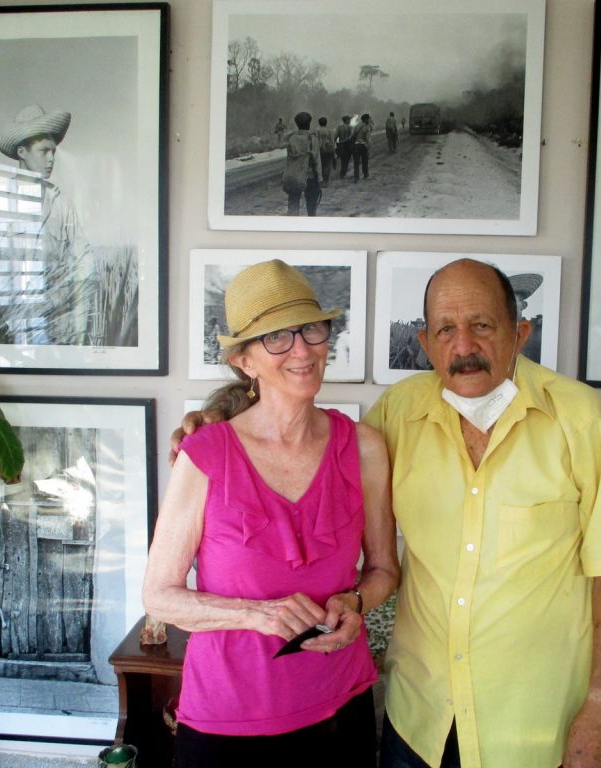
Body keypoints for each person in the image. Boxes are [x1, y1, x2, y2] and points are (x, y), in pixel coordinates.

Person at [172, 258, 601, 768]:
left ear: (520, 332)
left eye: (482, 325)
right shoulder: (397, 415)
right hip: (419, 723)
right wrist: (219, 418)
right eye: (445, 329)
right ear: (424, 343)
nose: (463, 346)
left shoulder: (578, 416)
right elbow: (298, 440)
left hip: (534, 729)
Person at [144, 259, 399, 768]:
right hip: (227, 719)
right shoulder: (205, 453)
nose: (302, 349)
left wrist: (355, 602)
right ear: (244, 361)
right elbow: (158, 596)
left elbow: (384, 570)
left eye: (311, 329)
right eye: (276, 337)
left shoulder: (365, 447)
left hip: (340, 706)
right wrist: (257, 614)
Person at [0, 104, 95, 345]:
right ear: (22, 152)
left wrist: (76, 322)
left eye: (54, 152)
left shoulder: (61, 203)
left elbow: (83, 259)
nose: (52, 159)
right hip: (11, 324)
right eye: (44, 151)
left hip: (58, 324)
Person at [281, 112, 321, 216]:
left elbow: (290, 159)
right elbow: (316, 161)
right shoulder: (313, 139)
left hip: (294, 176)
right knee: (311, 206)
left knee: (293, 204)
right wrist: (319, 178)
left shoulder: (292, 138)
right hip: (310, 176)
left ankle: (292, 227)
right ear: (309, 124)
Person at [351, 113, 372, 182]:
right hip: (363, 145)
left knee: (356, 162)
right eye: (368, 118)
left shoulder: (357, 126)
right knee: (365, 161)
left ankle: (356, 177)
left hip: (356, 145)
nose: (369, 120)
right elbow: (368, 139)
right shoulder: (367, 127)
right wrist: (368, 148)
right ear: (366, 119)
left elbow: (352, 135)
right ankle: (366, 175)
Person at [316, 116, 336, 187]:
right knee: (327, 165)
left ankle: (320, 180)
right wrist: (334, 151)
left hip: (320, 149)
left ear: (319, 123)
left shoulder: (317, 131)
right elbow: (332, 141)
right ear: (326, 123)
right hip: (328, 149)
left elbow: (316, 141)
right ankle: (325, 181)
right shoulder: (329, 131)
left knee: (320, 165)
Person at [336, 115, 354, 179]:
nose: (349, 121)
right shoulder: (350, 127)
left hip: (341, 146)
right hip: (348, 146)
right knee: (347, 160)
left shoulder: (339, 127)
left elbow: (335, 137)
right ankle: (343, 173)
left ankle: (342, 173)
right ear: (346, 120)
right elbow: (352, 137)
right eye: (349, 120)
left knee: (343, 160)